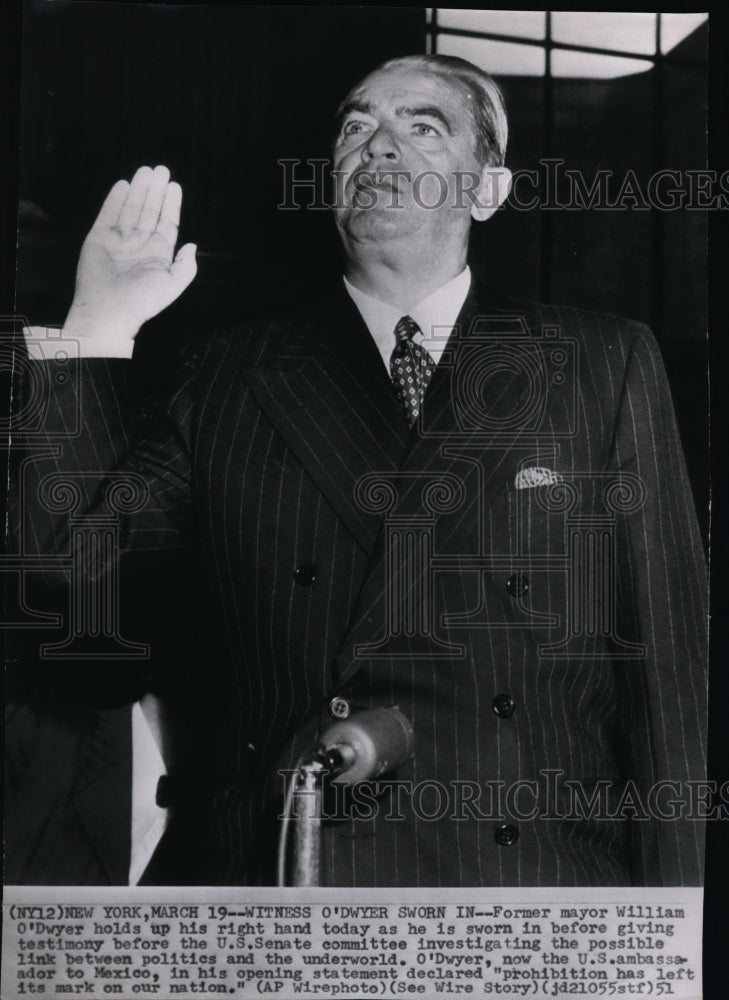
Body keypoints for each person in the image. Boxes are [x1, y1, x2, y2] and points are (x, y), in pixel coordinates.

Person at [9, 54, 707, 887]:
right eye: (355, 126)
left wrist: (680, 931)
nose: (378, 145)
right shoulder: (230, 374)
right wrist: (97, 326)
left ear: (486, 189)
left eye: (422, 125)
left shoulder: (601, 362)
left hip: (527, 899)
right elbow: (64, 567)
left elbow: (670, 681)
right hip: (288, 888)